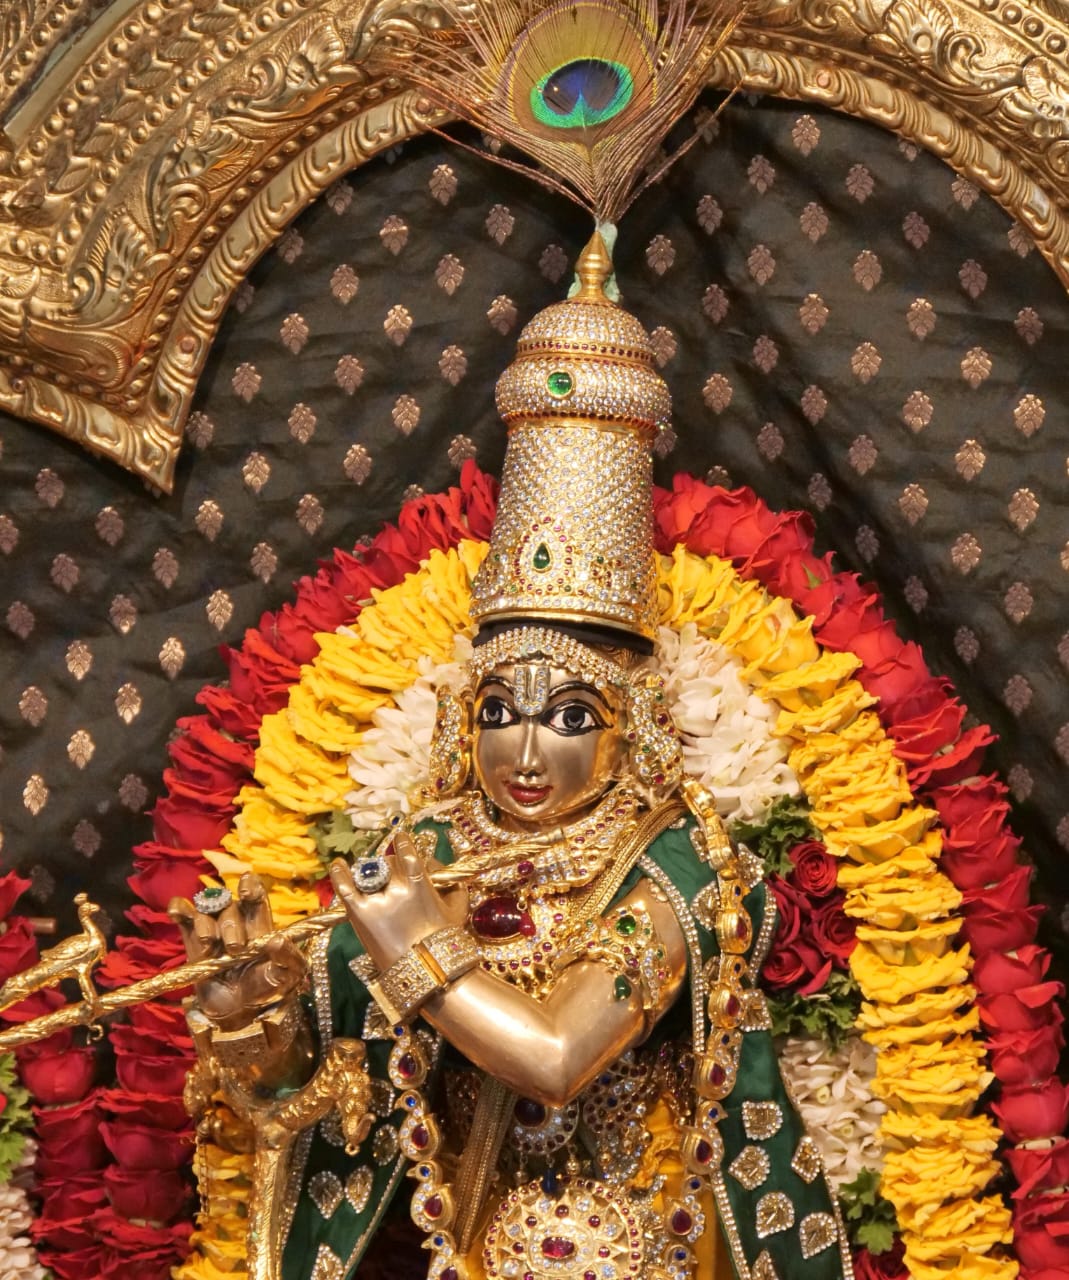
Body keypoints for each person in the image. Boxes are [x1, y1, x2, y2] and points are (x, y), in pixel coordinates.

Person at [171, 233, 850, 1280]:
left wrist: (413, 941)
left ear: (632, 730)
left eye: (570, 716)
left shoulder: (677, 866)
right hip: (451, 1249)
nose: (525, 750)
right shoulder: (431, 843)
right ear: (463, 720)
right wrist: (251, 1020)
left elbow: (556, 1055)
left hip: (630, 1252)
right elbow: (329, 1103)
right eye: (500, 710)